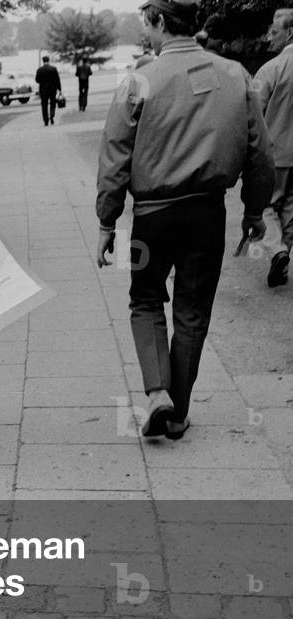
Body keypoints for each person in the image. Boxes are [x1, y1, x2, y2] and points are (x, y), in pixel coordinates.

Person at [96, 0, 274, 440]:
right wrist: (254, 210)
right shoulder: (236, 76)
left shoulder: (138, 80)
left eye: (147, 25)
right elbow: (259, 152)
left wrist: (106, 220)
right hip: (208, 214)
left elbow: (115, 156)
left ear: (159, 22)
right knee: (193, 311)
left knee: (145, 298)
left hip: (152, 219)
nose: (148, 35)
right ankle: (178, 414)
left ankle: (157, 393)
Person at [253, 8, 293, 287]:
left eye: (275, 32)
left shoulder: (272, 69)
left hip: (276, 153)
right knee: (291, 209)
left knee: (265, 206)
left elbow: (252, 114)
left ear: (290, 32)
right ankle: (281, 259)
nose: (270, 38)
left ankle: (277, 251)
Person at [35, 56, 62, 126]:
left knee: (44, 105)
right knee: (53, 103)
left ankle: (46, 120)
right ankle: (52, 115)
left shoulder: (39, 70)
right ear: (48, 61)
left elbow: (37, 80)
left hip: (43, 90)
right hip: (52, 89)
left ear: (43, 61)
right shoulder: (53, 69)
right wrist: (59, 89)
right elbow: (57, 79)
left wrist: (42, 81)